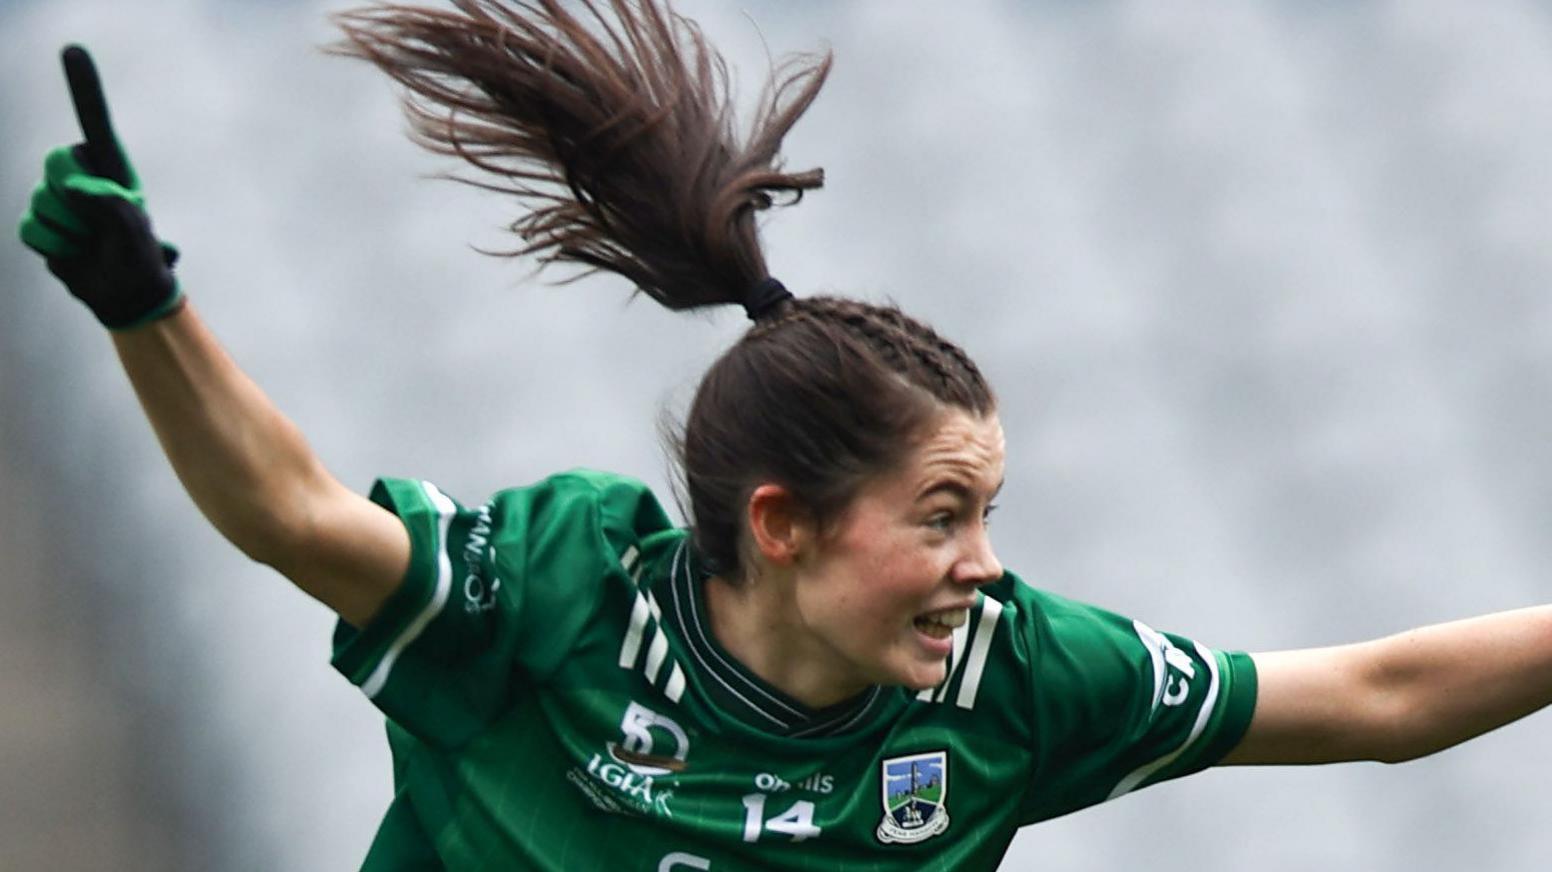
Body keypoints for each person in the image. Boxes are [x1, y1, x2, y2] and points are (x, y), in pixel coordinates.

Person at [16, 1, 1552, 869]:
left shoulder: (1014, 684)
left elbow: (1378, 693)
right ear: (781, 523)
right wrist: (145, 302)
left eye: (988, 513)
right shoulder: (560, 598)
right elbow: (290, 514)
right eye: (941, 517)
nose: (983, 565)